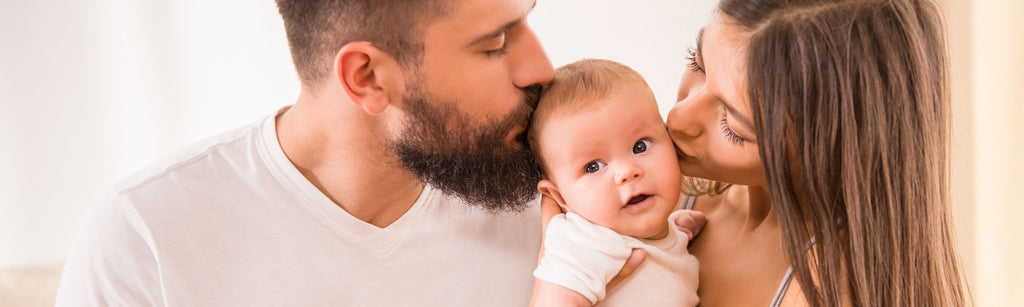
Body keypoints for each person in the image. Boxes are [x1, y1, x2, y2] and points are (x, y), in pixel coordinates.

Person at [55, 0, 564, 305]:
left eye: (525, 21)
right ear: (366, 77)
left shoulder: (566, 195)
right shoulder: (149, 237)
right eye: (495, 43)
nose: (542, 68)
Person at [536, 0, 970, 306]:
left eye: (733, 125)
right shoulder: (652, 193)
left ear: (827, 151)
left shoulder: (826, 290)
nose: (679, 116)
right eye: (698, 64)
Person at [527, 59, 706, 306]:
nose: (627, 172)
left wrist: (677, 231)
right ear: (560, 198)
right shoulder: (583, 242)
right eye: (593, 167)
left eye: (640, 146)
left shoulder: (631, 237)